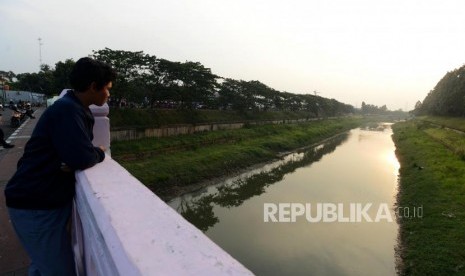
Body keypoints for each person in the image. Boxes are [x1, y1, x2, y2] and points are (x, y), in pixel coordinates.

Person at [4, 57, 116, 275]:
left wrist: (75, 157)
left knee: (41, 265)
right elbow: (81, 157)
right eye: (108, 89)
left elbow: (74, 155)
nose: (109, 95)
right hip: (35, 207)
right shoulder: (68, 111)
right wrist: (100, 152)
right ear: (93, 86)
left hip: (39, 203)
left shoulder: (71, 107)